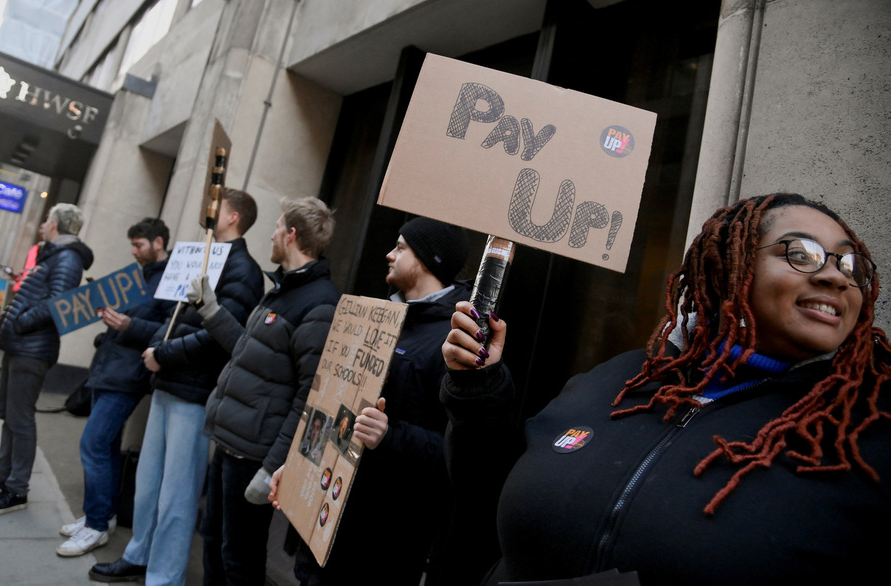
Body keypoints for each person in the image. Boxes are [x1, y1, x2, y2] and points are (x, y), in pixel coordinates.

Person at [440, 193, 890, 585]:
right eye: (802, 254)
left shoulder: (867, 432)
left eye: (850, 263)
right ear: (730, 266)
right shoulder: (622, 379)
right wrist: (477, 386)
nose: (835, 277)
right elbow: (489, 488)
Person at [273, 216, 472, 586]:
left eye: (400, 248)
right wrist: (301, 464)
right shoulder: (377, 319)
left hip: (380, 543)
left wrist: (391, 435)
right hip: (328, 522)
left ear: (427, 260)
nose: (389, 254)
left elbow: (462, 452)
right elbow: (333, 404)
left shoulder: (455, 339)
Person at [89, 189, 263, 585]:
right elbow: (175, 319)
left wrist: (163, 353)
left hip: (196, 390)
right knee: (150, 484)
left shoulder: (243, 269)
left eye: (215, 207)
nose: (207, 213)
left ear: (233, 216)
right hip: (169, 381)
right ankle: (140, 555)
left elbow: (220, 334)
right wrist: (157, 349)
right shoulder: (204, 256)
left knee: (178, 493)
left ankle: (164, 576)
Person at [193, 196, 339, 585]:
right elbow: (252, 352)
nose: (271, 234)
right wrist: (211, 312)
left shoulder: (319, 303)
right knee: (213, 542)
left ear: (291, 235)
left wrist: (271, 467)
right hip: (230, 442)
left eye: (276, 227)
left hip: (253, 456)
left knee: (239, 560)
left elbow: (311, 396)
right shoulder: (282, 289)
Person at [0, 204, 93, 515]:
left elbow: (57, 303)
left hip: (32, 349)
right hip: (21, 346)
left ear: (56, 224)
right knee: (9, 413)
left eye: (47, 219)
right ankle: (0, 474)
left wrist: (20, 322)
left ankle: (17, 490)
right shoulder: (52, 255)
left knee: (20, 418)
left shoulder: (68, 257)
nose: (43, 223)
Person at [56, 218, 175, 557]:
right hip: (107, 369)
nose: (134, 251)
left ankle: (95, 526)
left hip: (127, 376)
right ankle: (101, 517)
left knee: (92, 443)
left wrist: (129, 324)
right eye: (133, 245)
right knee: (105, 446)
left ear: (158, 242)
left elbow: (170, 328)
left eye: (139, 245)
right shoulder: (138, 275)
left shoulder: (170, 277)